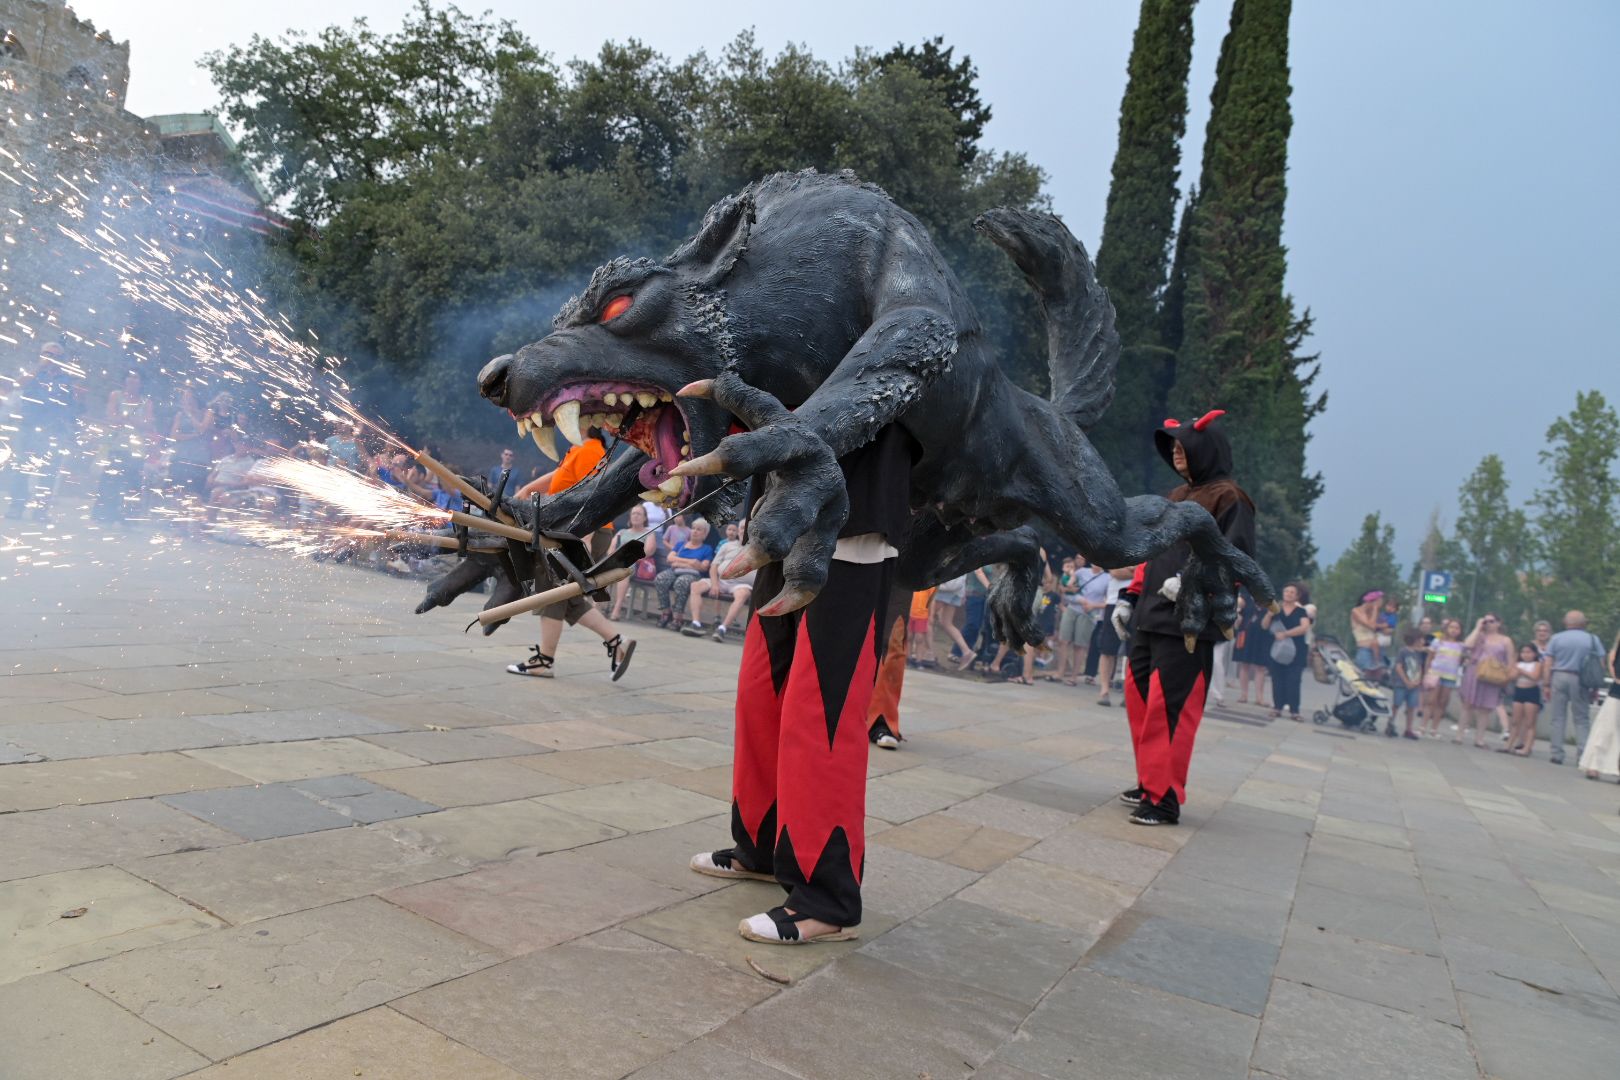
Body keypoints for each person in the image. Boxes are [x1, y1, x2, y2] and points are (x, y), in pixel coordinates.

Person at [690, 422, 915, 945]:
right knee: (759, 696)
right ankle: (762, 848)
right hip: (783, 517)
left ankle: (826, 898)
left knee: (821, 713)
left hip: (854, 515)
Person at [1112, 409, 1256, 826]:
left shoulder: (1232, 499)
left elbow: (1237, 559)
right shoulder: (1175, 497)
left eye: (1183, 445)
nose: (1176, 452)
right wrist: (1129, 596)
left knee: (1169, 710)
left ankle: (1165, 798)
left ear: (1205, 449)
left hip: (1190, 620)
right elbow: (1150, 550)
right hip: (1149, 615)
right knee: (1140, 704)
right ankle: (1149, 781)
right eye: (1172, 446)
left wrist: (1196, 580)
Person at [504, 428, 634, 682]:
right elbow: (557, 477)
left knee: (553, 593)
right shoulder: (579, 450)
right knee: (569, 599)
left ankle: (544, 661)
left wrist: (582, 538)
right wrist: (524, 493)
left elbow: (593, 496)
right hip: (569, 532)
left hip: (579, 533)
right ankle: (618, 642)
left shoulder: (590, 451)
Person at [1545, 610, 1604, 765]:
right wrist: (1596, 686)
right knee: (1582, 718)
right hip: (1581, 679)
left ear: (1566, 622)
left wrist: (1546, 683)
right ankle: (1583, 753)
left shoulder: (1556, 638)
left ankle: (1556, 753)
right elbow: (1600, 663)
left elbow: (1548, 662)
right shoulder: (1592, 639)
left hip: (1559, 675)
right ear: (1583, 623)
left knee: (1558, 717)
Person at [683, 520, 753, 639]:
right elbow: (714, 566)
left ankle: (722, 629)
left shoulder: (756, 550)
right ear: (738, 531)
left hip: (740, 585)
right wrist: (715, 584)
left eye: (747, 528)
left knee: (743, 594)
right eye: (742, 527)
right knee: (695, 586)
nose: (744, 530)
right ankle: (696, 624)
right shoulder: (727, 545)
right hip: (721, 581)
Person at [1457, 614, 1514, 748]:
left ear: (1498, 623)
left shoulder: (1505, 640)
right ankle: (1459, 735)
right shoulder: (1479, 636)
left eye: (1491, 621)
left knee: (1485, 708)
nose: (1488, 624)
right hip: (1475, 671)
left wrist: (1507, 677)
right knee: (1467, 704)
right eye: (1486, 621)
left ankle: (1479, 738)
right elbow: (1467, 645)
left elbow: (1510, 660)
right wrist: (1477, 628)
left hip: (1493, 674)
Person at [1263, 583, 1312, 722]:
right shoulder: (1276, 609)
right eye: (1286, 591)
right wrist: (1268, 614)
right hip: (1277, 649)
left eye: (1292, 592)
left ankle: (1294, 710)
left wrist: (1286, 634)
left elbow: (1304, 628)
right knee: (1277, 678)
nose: (1288, 594)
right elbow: (1264, 626)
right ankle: (1277, 707)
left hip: (1297, 650)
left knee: (1294, 680)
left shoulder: (1301, 611)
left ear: (1297, 596)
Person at [655, 517, 714, 628]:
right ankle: (666, 612)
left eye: (699, 529)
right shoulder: (680, 545)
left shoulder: (707, 549)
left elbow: (703, 567)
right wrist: (691, 562)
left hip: (693, 575)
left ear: (705, 533)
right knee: (660, 578)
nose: (695, 531)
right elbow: (670, 559)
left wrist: (679, 562)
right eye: (693, 528)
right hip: (674, 570)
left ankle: (678, 617)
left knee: (681, 582)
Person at [1576, 630, 1620, 779]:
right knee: (1605, 730)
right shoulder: (1616, 648)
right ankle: (1594, 765)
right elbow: (1614, 668)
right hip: (1617, 693)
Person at [606, 504, 659, 620]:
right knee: (602, 570)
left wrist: (627, 558)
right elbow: (611, 550)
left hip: (634, 564)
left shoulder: (649, 533)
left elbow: (647, 552)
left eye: (639, 514)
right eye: (633, 513)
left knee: (623, 572)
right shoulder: (622, 532)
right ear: (630, 517)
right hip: (617, 562)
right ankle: (596, 607)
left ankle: (617, 609)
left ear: (645, 518)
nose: (635, 516)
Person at [1093, 565, 1134, 707]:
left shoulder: (1146, 547)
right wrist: (1136, 572)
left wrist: (1129, 570)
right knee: (1107, 649)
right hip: (1114, 601)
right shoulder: (1119, 545)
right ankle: (1104, 690)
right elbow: (1116, 572)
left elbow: (1148, 572)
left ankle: (1128, 693)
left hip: (1137, 602)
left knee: (1132, 652)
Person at [1422, 619, 1466, 738]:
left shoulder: (1461, 645)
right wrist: (1427, 672)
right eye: (1451, 627)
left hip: (1450, 676)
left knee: (1442, 702)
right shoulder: (1438, 641)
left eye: (1457, 628)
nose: (1454, 630)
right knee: (1431, 701)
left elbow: (1461, 661)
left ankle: (1434, 729)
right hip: (1435, 673)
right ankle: (1423, 727)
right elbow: (1430, 657)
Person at [1504, 642, 1548, 756]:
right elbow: (1511, 676)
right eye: (1523, 652)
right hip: (1519, 691)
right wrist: (1516, 669)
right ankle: (1508, 745)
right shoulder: (1518, 664)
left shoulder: (1537, 664)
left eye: (1529, 652)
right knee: (1515, 721)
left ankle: (1527, 747)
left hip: (1531, 692)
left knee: (1530, 722)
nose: (1526, 655)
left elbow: (1535, 677)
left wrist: (1522, 671)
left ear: (1534, 653)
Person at [1234, 590, 1270, 706]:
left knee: (1260, 667)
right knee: (1244, 665)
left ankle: (1259, 697)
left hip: (1262, 638)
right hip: (1245, 636)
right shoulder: (1246, 599)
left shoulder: (1268, 601)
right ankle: (1243, 694)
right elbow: (1238, 619)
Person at [1391, 629, 1425, 739]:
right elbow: (1399, 667)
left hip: (1414, 684)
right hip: (1402, 683)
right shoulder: (1403, 651)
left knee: (1411, 707)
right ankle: (1390, 724)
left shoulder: (1418, 653)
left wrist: (1418, 680)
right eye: (1421, 639)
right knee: (1396, 704)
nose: (1423, 641)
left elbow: (1419, 666)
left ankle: (1408, 729)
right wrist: (1406, 681)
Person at [1350, 590, 1384, 670]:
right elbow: (1371, 626)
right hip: (1365, 650)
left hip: (1377, 650)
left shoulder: (1373, 613)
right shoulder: (1356, 611)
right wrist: (1375, 609)